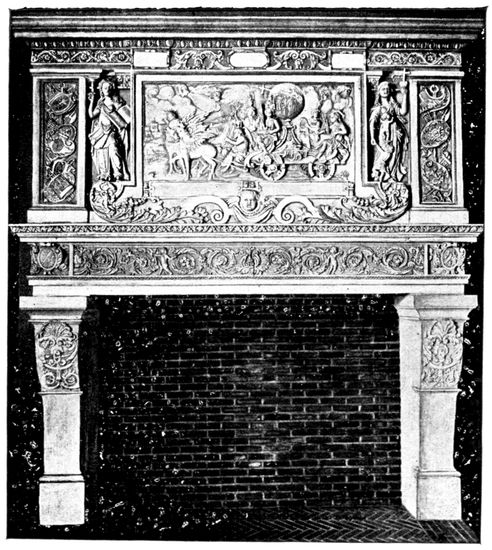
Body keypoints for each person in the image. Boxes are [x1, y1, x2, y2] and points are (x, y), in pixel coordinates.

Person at [88, 79, 131, 181]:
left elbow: (126, 115)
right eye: (105, 88)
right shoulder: (100, 103)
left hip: (111, 130)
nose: (107, 90)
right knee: (101, 151)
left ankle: (118, 173)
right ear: (102, 90)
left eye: (109, 88)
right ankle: (104, 174)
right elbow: (91, 115)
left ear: (112, 89)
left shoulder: (116, 101)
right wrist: (92, 101)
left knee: (114, 149)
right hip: (100, 130)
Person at [369, 79, 408, 183]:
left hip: (395, 132)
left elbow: (403, 112)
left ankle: (392, 175)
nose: (385, 91)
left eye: (387, 89)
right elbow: (372, 123)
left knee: (395, 154)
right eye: (383, 89)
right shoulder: (378, 108)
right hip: (384, 133)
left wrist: (405, 94)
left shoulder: (392, 105)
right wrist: (372, 137)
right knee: (386, 153)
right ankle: (380, 172)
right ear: (379, 92)